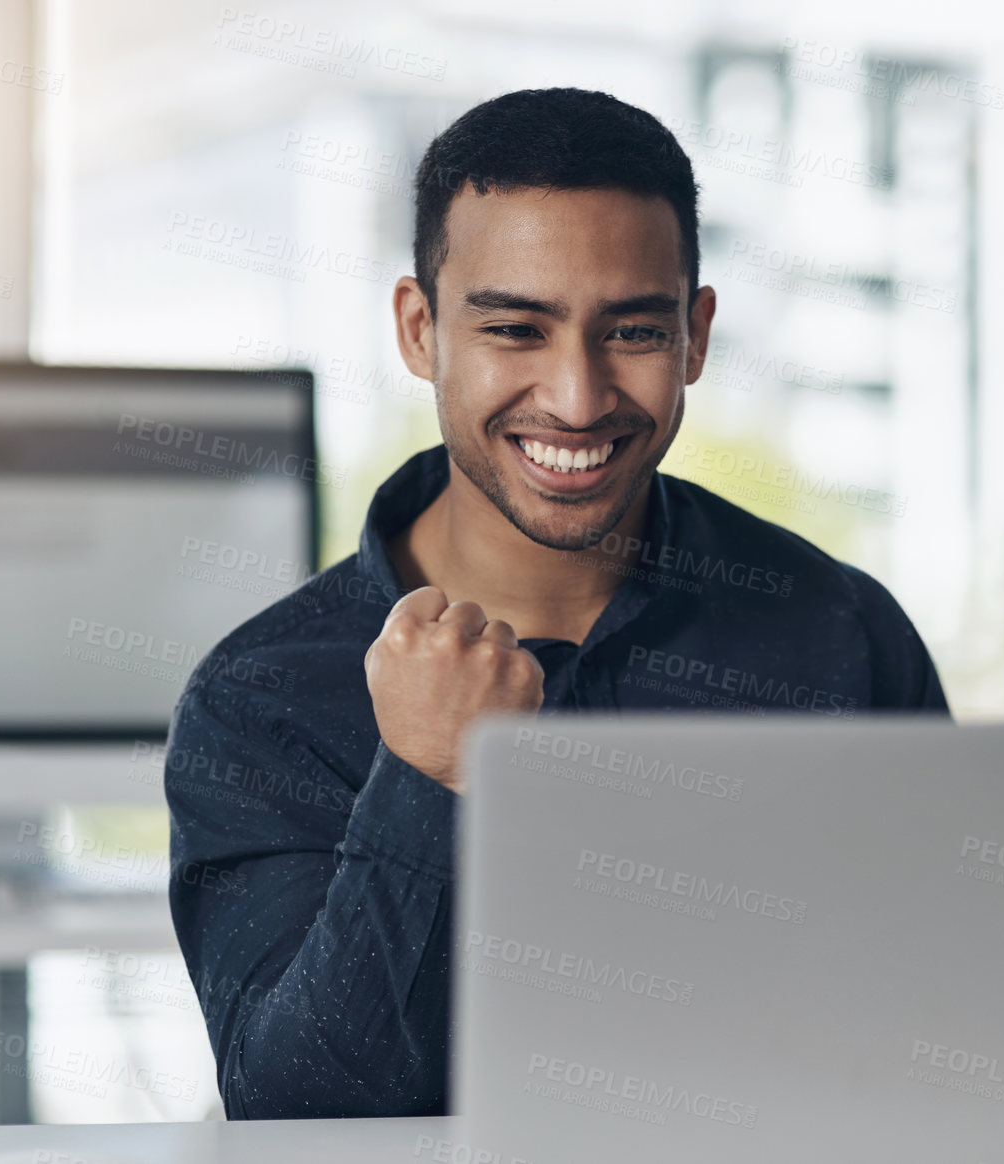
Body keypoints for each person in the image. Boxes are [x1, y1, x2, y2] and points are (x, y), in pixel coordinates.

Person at [165, 87, 949, 1120]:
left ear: (696, 336)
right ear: (419, 329)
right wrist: (426, 776)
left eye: (631, 330)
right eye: (515, 330)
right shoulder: (262, 699)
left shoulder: (837, 635)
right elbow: (300, 1110)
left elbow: (943, 1025)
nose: (577, 399)